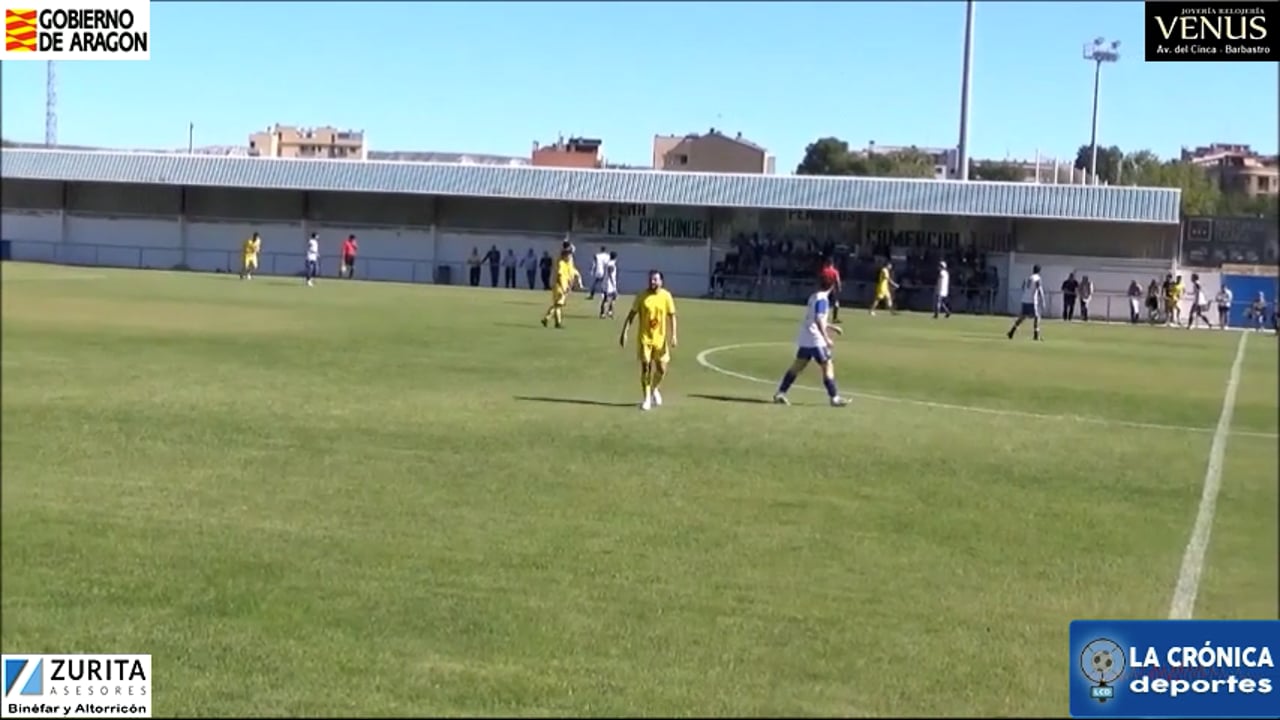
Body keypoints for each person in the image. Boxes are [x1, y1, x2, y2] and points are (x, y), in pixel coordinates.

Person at [773, 275, 848, 407]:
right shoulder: (823, 300)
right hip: (816, 340)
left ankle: (780, 393)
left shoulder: (814, 297)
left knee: (797, 366)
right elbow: (818, 320)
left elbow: (813, 318)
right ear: (832, 286)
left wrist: (831, 326)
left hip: (806, 338)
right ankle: (834, 397)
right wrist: (826, 338)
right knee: (827, 365)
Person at [619, 270, 678, 412]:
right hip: (645, 338)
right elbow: (631, 315)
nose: (652, 282)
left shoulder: (666, 296)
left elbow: (672, 316)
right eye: (651, 280)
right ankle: (646, 399)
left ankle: (654, 389)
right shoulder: (642, 296)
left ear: (661, 281)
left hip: (660, 339)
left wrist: (674, 335)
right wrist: (624, 332)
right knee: (646, 367)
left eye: (655, 280)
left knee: (662, 369)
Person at [541, 248, 581, 329]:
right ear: (565, 256)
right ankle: (555, 322)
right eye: (569, 255)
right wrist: (563, 288)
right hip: (559, 287)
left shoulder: (567, 263)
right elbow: (559, 276)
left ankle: (548, 319)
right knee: (558, 305)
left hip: (563, 287)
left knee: (557, 305)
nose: (570, 257)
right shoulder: (561, 263)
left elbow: (572, 272)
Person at [1006, 264, 1045, 341]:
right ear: (1039, 271)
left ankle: (1011, 331)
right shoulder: (1037, 278)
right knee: (1037, 317)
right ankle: (1036, 335)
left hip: (1025, 299)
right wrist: (1043, 300)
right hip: (1032, 301)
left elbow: (1023, 287)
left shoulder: (1028, 278)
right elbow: (1039, 289)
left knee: (1022, 317)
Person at [820, 257, 842, 323]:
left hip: (824, 289)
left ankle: (821, 317)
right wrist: (839, 287)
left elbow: (820, 279)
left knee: (823, 303)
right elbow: (837, 281)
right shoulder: (835, 271)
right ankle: (834, 318)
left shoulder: (824, 271)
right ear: (832, 264)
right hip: (832, 290)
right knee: (836, 303)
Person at [599, 251, 619, 319]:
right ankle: (603, 313)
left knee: (613, 298)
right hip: (609, 285)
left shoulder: (607, 263)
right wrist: (613, 284)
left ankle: (609, 311)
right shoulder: (611, 264)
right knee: (606, 299)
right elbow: (610, 274)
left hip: (606, 283)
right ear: (615, 258)